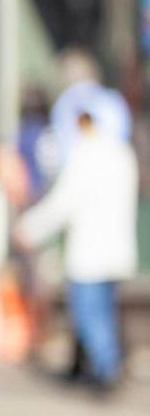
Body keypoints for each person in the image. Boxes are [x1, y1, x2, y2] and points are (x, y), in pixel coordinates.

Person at [17, 110, 139, 393]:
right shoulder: (121, 154)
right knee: (104, 311)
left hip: (91, 251)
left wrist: (30, 228)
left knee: (90, 314)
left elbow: (63, 202)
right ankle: (97, 365)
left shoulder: (87, 157)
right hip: (114, 250)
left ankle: (105, 369)